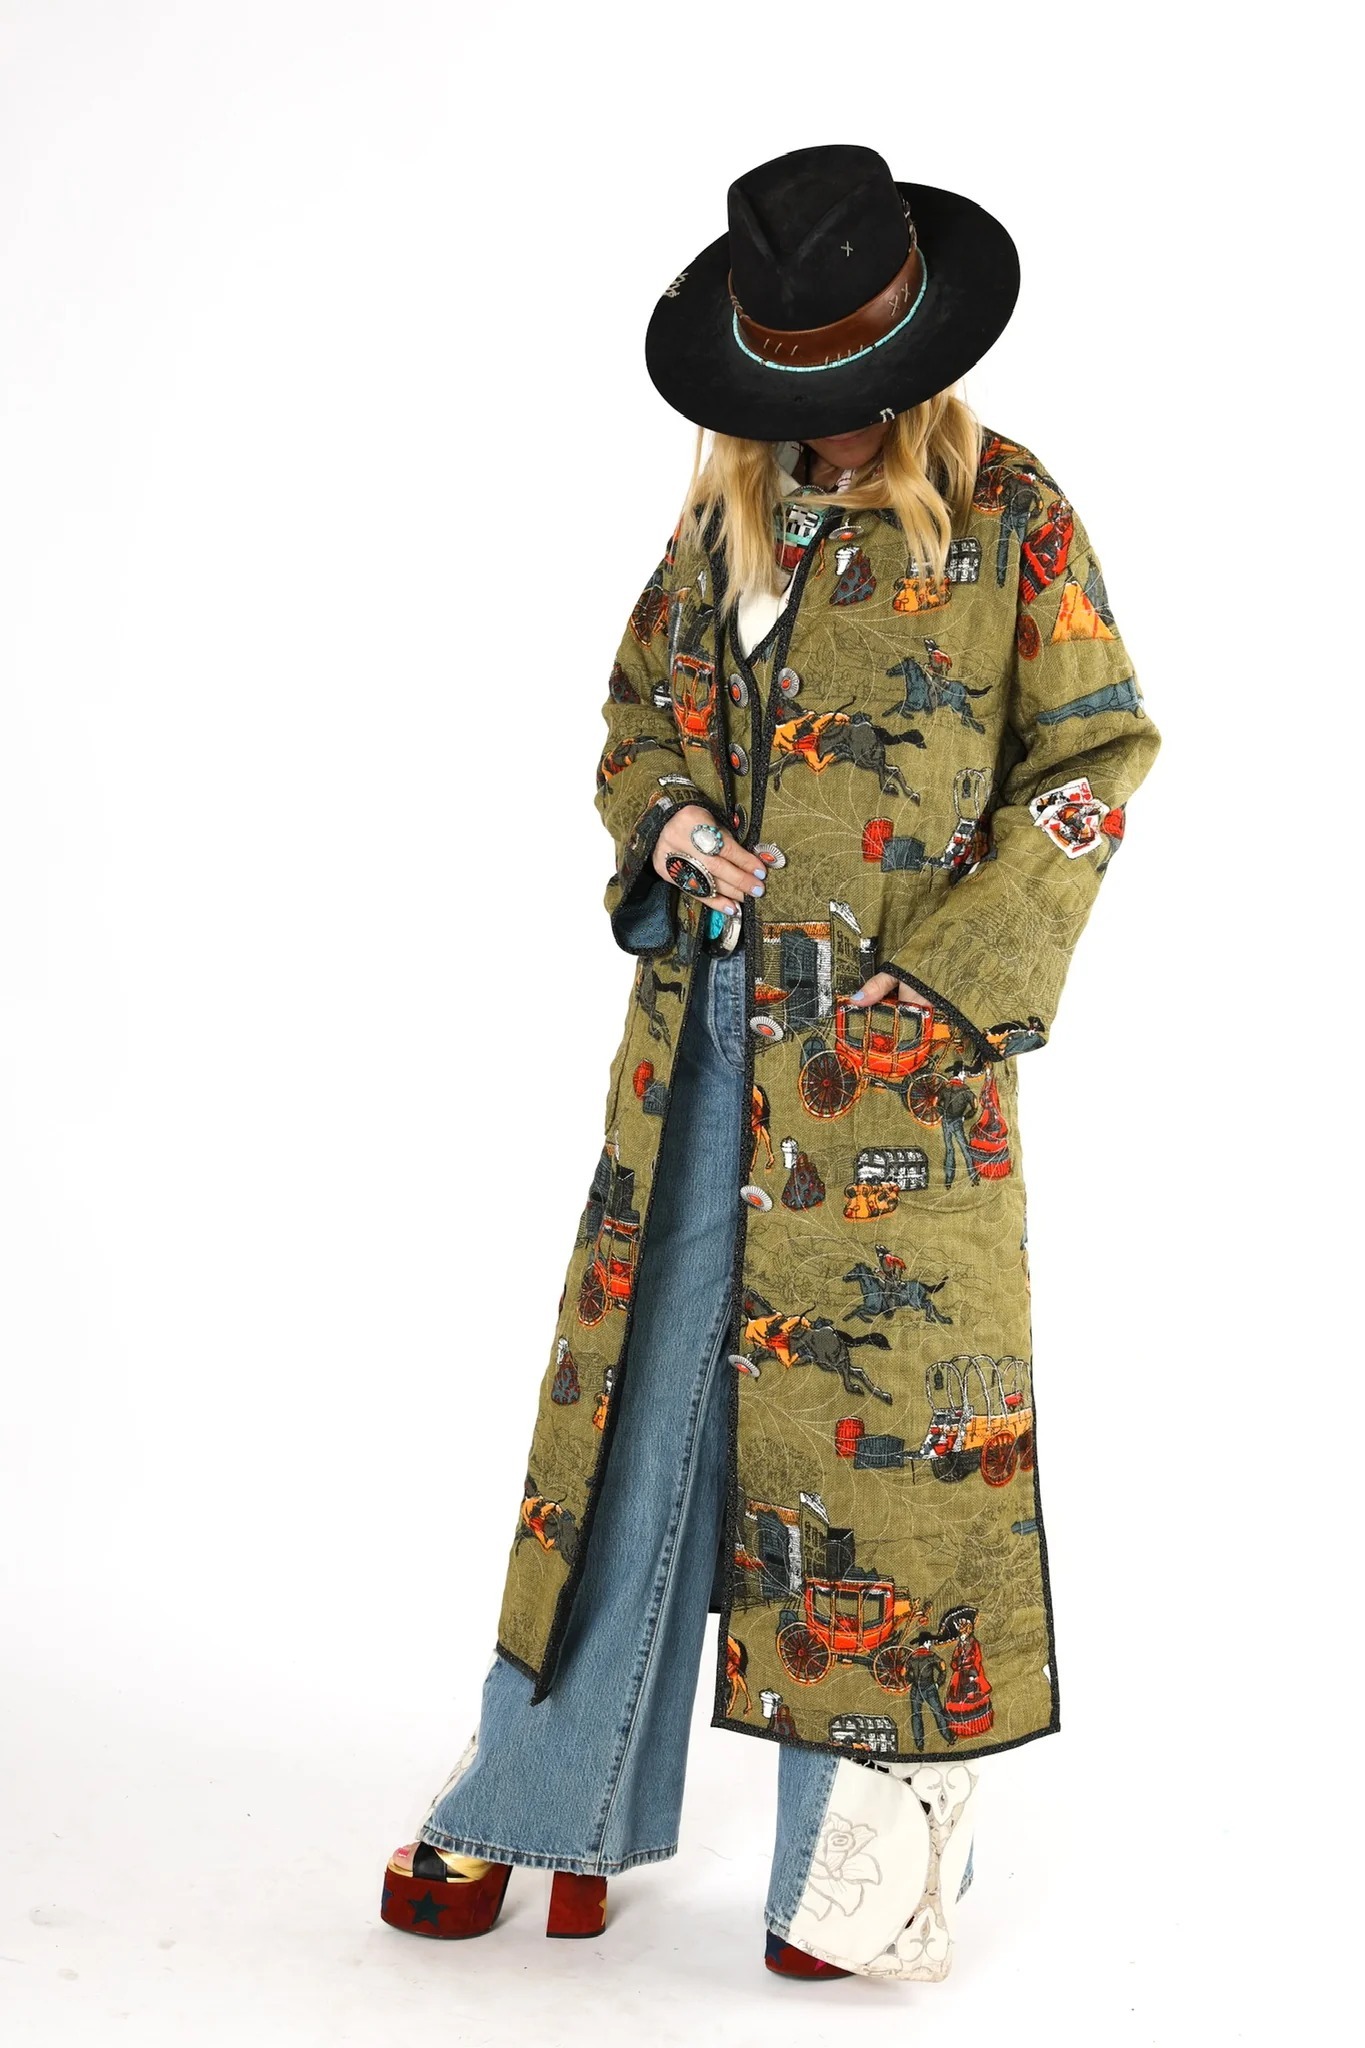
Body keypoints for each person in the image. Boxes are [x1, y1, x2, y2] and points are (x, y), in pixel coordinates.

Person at [378, 143, 1162, 1983]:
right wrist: (664, 824)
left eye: (851, 372)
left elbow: (1096, 756)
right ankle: (542, 1804)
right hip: (699, 1052)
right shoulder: (719, 518)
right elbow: (636, 714)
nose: (824, 412)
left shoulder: (1010, 515)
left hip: (897, 1073)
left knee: (873, 1452)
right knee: (630, 1417)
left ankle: (856, 1872)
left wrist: (950, 993)